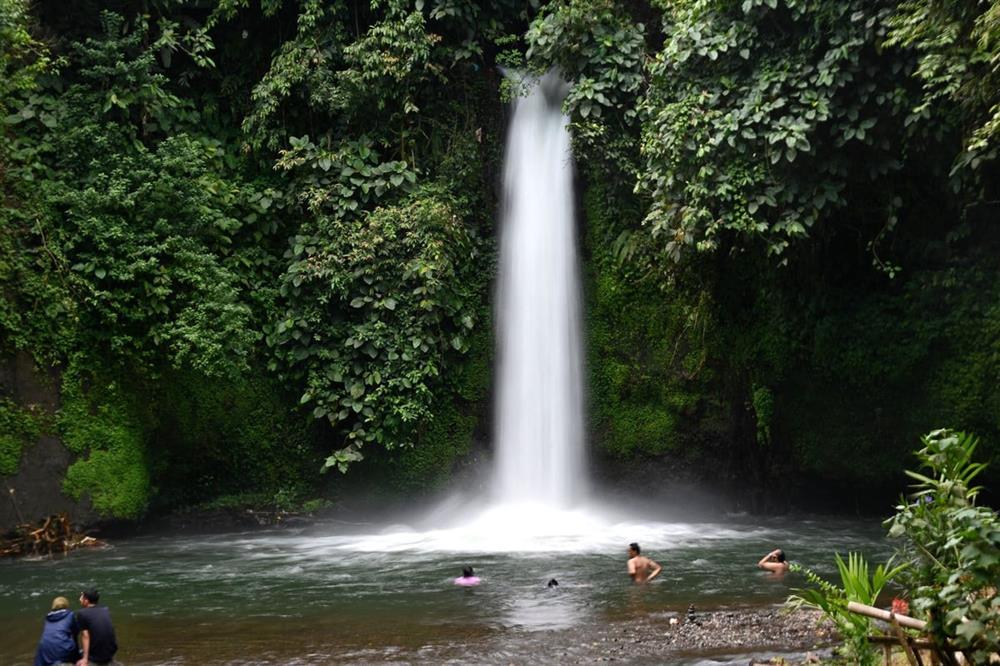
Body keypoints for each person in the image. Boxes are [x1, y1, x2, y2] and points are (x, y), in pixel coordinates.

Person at [75, 588, 118, 666]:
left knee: (76, 655)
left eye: (81, 597)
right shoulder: (105, 610)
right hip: (110, 653)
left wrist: (85, 659)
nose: (79, 599)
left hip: (96, 657)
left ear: (86, 601)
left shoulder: (82, 613)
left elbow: (85, 636)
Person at [34, 596, 80, 666]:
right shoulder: (70, 615)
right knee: (71, 645)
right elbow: (76, 632)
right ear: (66, 604)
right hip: (62, 648)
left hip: (44, 649)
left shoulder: (48, 617)